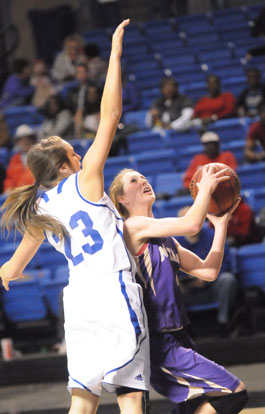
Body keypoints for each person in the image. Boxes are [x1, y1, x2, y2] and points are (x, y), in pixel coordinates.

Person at [0, 20, 150, 414]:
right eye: (74, 152)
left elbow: (12, 270)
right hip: (112, 291)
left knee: (82, 403)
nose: (81, 156)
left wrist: (6, 273)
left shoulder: (38, 210)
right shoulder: (85, 180)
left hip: (78, 301)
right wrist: (115, 53)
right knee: (130, 397)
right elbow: (111, 113)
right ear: (66, 166)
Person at [109, 166, 248, 414]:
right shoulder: (133, 226)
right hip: (157, 342)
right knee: (235, 391)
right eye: (133, 180)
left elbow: (208, 271)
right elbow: (193, 225)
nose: (143, 180)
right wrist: (205, 189)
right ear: (122, 199)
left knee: (198, 409)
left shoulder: (166, 239)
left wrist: (220, 225)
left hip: (179, 336)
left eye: (143, 176)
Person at [176, 206, 238, 338]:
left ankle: (223, 323)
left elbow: (225, 264)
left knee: (227, 279)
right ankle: (182, 330)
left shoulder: (213, 235)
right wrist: (178, 282)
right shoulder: (174, 242)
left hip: (212, 285)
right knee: (168, 287)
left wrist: (205, 279)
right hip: (187, 290)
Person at [3, 124, 36, 194]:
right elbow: (10, 179)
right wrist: (8, 188)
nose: (25, 142)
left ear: (32, 140)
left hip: (34, 193)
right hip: (17, 196)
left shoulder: (39, 156)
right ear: (17, 142)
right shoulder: (14, 159)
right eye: (21, 139)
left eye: (27, 138)